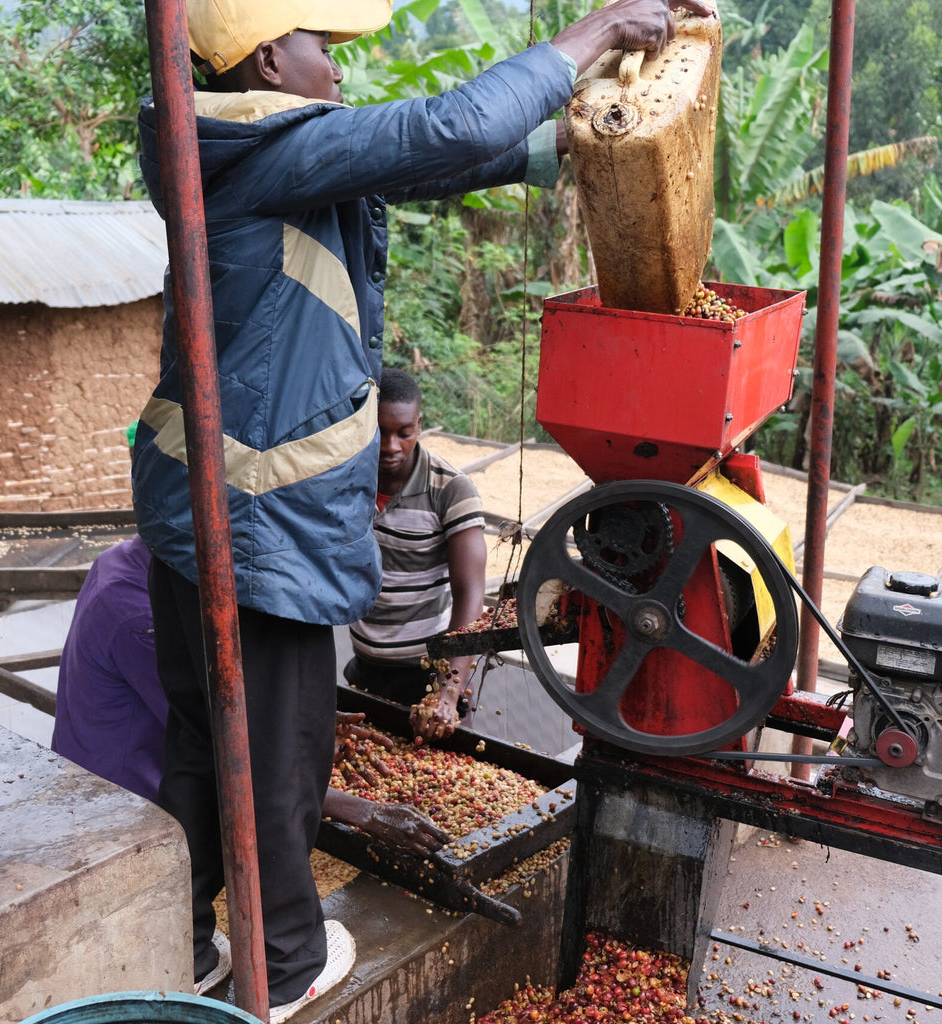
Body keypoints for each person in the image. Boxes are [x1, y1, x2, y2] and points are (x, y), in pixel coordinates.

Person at [130, 0, 715, 1017]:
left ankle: (180, 942)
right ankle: (285, 963)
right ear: (272, 55)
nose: (341, 70)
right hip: (255, 522)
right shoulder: (260, 146)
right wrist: (592, 38)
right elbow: (443, 129)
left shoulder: (224, 144)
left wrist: (573, 134)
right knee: (281, 750)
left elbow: (431, 159)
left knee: (202, 736)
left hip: (194, 505)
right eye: (325, 49)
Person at [50, 536, 449, 994]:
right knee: (233, 795)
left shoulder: (135, 561)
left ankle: (190, 952)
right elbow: (235, 751)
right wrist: (365, 812)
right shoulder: (139, 619)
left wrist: (300, 712)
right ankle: (290, 974)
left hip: (109, 772)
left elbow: (214, 713)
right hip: (125, 803)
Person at [344, 369, 487, 743]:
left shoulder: (451, 490)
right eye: (380, 433)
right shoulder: (345, 481)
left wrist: (449, 689)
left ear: (419, 425)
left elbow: (471, 594)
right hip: (365, 671)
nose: (391, 446)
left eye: (404, 433)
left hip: (429, 677)